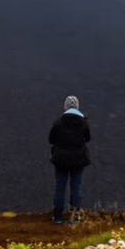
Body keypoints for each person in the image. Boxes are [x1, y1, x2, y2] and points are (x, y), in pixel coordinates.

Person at [49, 95, 90, 224]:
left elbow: (51, 139)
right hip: (78, 160)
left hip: (60, 160)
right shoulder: (84, 123)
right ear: (77, 106)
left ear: (65, 106)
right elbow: (87, 138)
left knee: (60, 187)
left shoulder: (58, 122)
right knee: (76, 186)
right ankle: (74, 216)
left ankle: (58, 217)